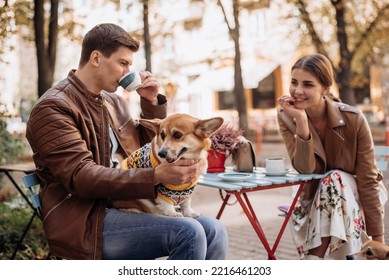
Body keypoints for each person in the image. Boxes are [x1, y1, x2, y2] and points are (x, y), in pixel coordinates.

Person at [26, 23, 228, 260]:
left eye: (130, 66)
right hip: (88, 219)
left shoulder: (113, 101)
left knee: (215, 230)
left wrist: (150, 103)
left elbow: (143, 151)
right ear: (96, 58)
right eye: (123, 64)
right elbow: (81, 177)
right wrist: (156, 176)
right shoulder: (53, 108)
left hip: (129, 203)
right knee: (189, 232)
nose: (128, 73)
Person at [277, 53, 387, 260]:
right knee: (331, 181)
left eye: (308, 85)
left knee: (334, 178)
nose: (298, 91)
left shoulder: (353, 119)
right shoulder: (287, 116)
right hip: (317, 198)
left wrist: (378, 244)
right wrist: (301, 123)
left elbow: (368, 179)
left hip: (360, 194)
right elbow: (305, 169)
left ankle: (313, 259)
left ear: (325, 89)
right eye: (294, 82)